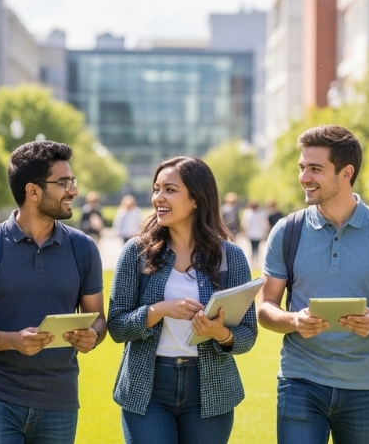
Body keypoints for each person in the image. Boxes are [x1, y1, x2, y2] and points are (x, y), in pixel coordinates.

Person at [257, 125, 369, 444]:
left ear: (346, 173)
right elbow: (265, 307)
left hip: (366, 387)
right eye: (303, 167)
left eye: (315, 169)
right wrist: (293, 320)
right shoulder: (285, 232)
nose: (305, 177)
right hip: (299, 383)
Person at [0, 140, 107, 444]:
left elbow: (98, 319)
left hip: (59, 399)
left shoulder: (83, 248)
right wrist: (13, 341)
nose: (73, 190)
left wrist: (93, 336)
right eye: (63, 183)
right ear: (32, 191)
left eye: (72, 181)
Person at [108, 156, 258, 444]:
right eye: (156, 189)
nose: (158, 198)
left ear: (196, 199)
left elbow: (247, 336)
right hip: (147, 388)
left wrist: (219, 333)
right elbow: (116, 326)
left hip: (210, 389)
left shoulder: (231, 257)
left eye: (170, 190)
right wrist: (160, 310)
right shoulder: (136, 253)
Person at [241, 200, 269, 266]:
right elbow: (264, 223)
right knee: (257, 247)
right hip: (258, 233)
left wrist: (244, 232)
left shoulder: (247, 213)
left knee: (252, 246)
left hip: (251, 233)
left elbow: (245, 224)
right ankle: (255, 259)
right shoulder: (261, 213)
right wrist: (266, 231)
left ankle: (253, 259)